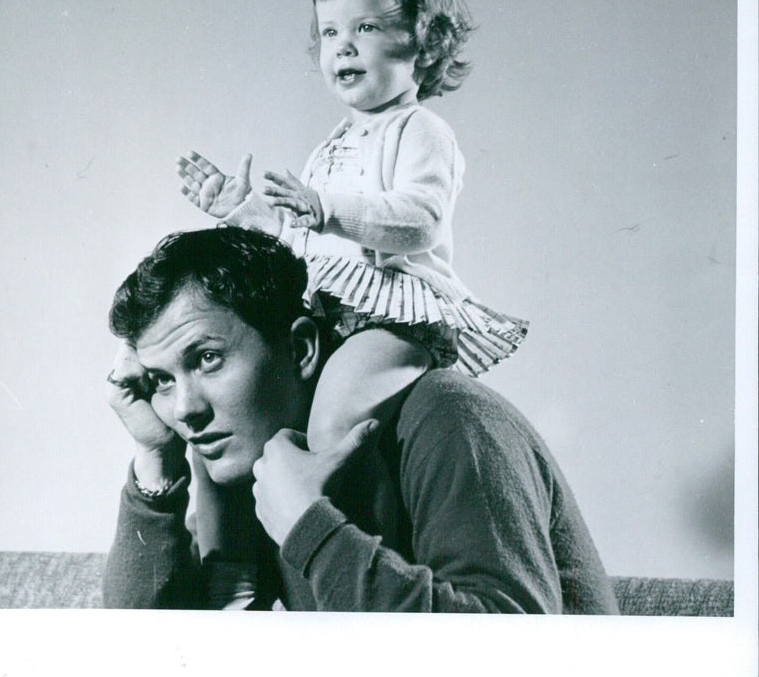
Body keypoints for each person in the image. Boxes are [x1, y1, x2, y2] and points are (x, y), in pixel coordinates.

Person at [103, 226, 618, 614]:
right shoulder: (251, 460)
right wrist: (156, 461)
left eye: (207, 359)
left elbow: (510, 662)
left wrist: (311, 528)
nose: (185, 410)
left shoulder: (449, 417)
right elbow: (147, 665)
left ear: (302, 349)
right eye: (163, 381)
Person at [175, 0, 529, 470]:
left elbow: (421, 221)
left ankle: (332, 535)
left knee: (331, 428)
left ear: (426, 44)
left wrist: (325, 209)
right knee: (260, 427)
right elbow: (299, 243)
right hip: (325, 314)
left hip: (390, 317)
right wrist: (241, 212)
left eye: (365, 28)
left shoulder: (421, 129)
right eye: (330, 32)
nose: (343, 47)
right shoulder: (332, 145)